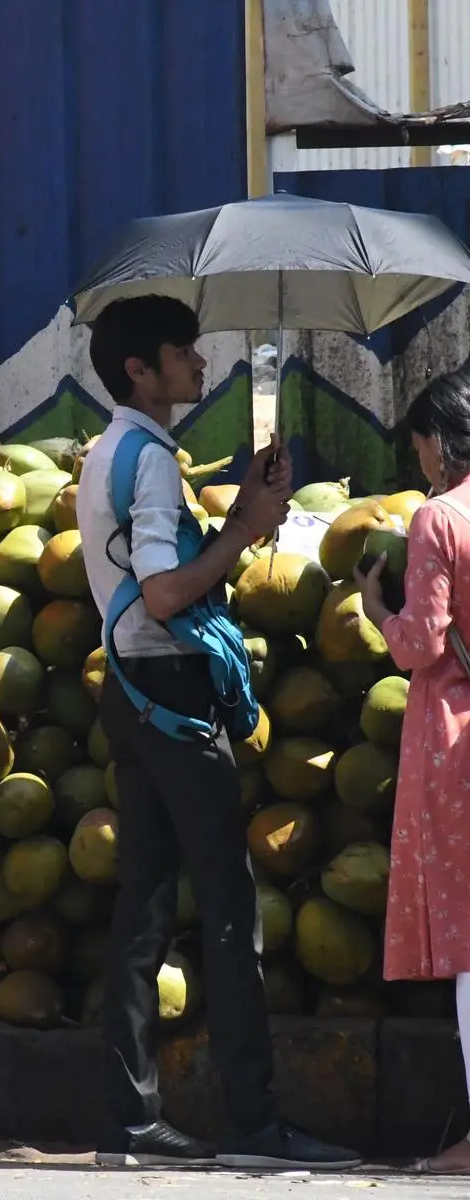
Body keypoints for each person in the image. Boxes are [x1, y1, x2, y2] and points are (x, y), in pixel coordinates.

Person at [77, 295, 360, 1171]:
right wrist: (245, 530)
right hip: (168, 689)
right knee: (233, 913)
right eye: (183, 352)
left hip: (131, 692)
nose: (199, 365)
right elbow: (165, 594)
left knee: (146, 909)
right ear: (141, 370)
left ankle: (128, 1125)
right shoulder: (152, 463)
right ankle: (254, 1124)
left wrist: (247, 513)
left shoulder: (108, 453)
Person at [355, 366, 470, 1176]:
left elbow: (423, 646)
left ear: (442, 441)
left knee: (469, 939)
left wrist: (376, 610)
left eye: (420, 442)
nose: (420, 457)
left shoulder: (438, 518)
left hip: (455, 737)